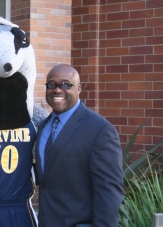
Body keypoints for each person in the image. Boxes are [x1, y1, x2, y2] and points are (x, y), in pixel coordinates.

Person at [35, 64, 123, 227]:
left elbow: (108, 192)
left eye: (65, 84)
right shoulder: (43, 127)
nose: (57, 90)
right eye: (51, 85)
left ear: (79, 89)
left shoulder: (99, 130)